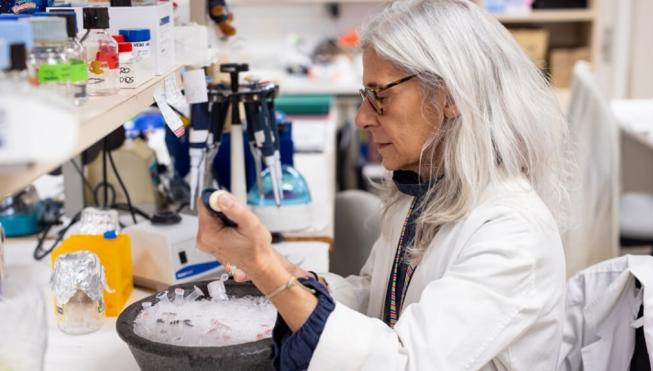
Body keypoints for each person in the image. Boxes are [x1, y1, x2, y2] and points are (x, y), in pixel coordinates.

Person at [196, 0, 572, 369]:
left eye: (380, 95)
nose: (362, 118)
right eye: (365, 96)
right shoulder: (426, 186)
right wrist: (282, 270)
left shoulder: (512, 233)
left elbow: (405, 361)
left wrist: (269, 271)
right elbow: (377, 298)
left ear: (451, 96)